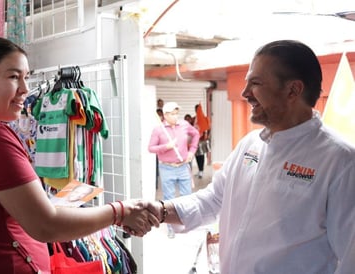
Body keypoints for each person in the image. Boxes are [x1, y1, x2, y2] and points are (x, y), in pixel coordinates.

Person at [0, 36, 158, 274]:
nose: (25, 89)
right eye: (14, 77)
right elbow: (46, 225)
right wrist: (119, 212)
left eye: (26, 76)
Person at [144, 40, 355, 273]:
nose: (245, 94)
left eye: (255, 84)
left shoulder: (340, 162)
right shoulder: (250, 145)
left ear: (293, 90)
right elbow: (213, 200)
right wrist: (160, 210)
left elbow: (350, 257)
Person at [148, 102, 199, 238]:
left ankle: (187, 223)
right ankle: (171, 227)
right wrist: (166, 146)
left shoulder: (184, 125)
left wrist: (192, 151)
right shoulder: (158, 130)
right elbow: (151, 148)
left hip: (183, 166)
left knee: (187, 197)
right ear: (165, 115)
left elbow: (196, 134)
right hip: (166, 168)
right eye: (172, 114)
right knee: (169, 200)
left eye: (177, 113)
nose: (176, 116)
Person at [193, 103, 210, 179]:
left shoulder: (205, 118)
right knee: (197, 155)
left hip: (202, 140)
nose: (197, 110)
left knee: (201, 155)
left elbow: (208, 128)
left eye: (198, 109)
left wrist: (207, 136)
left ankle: (201, 171)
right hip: (195, 140)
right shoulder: (194, 119)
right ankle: (199, 169)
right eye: (196, 109)